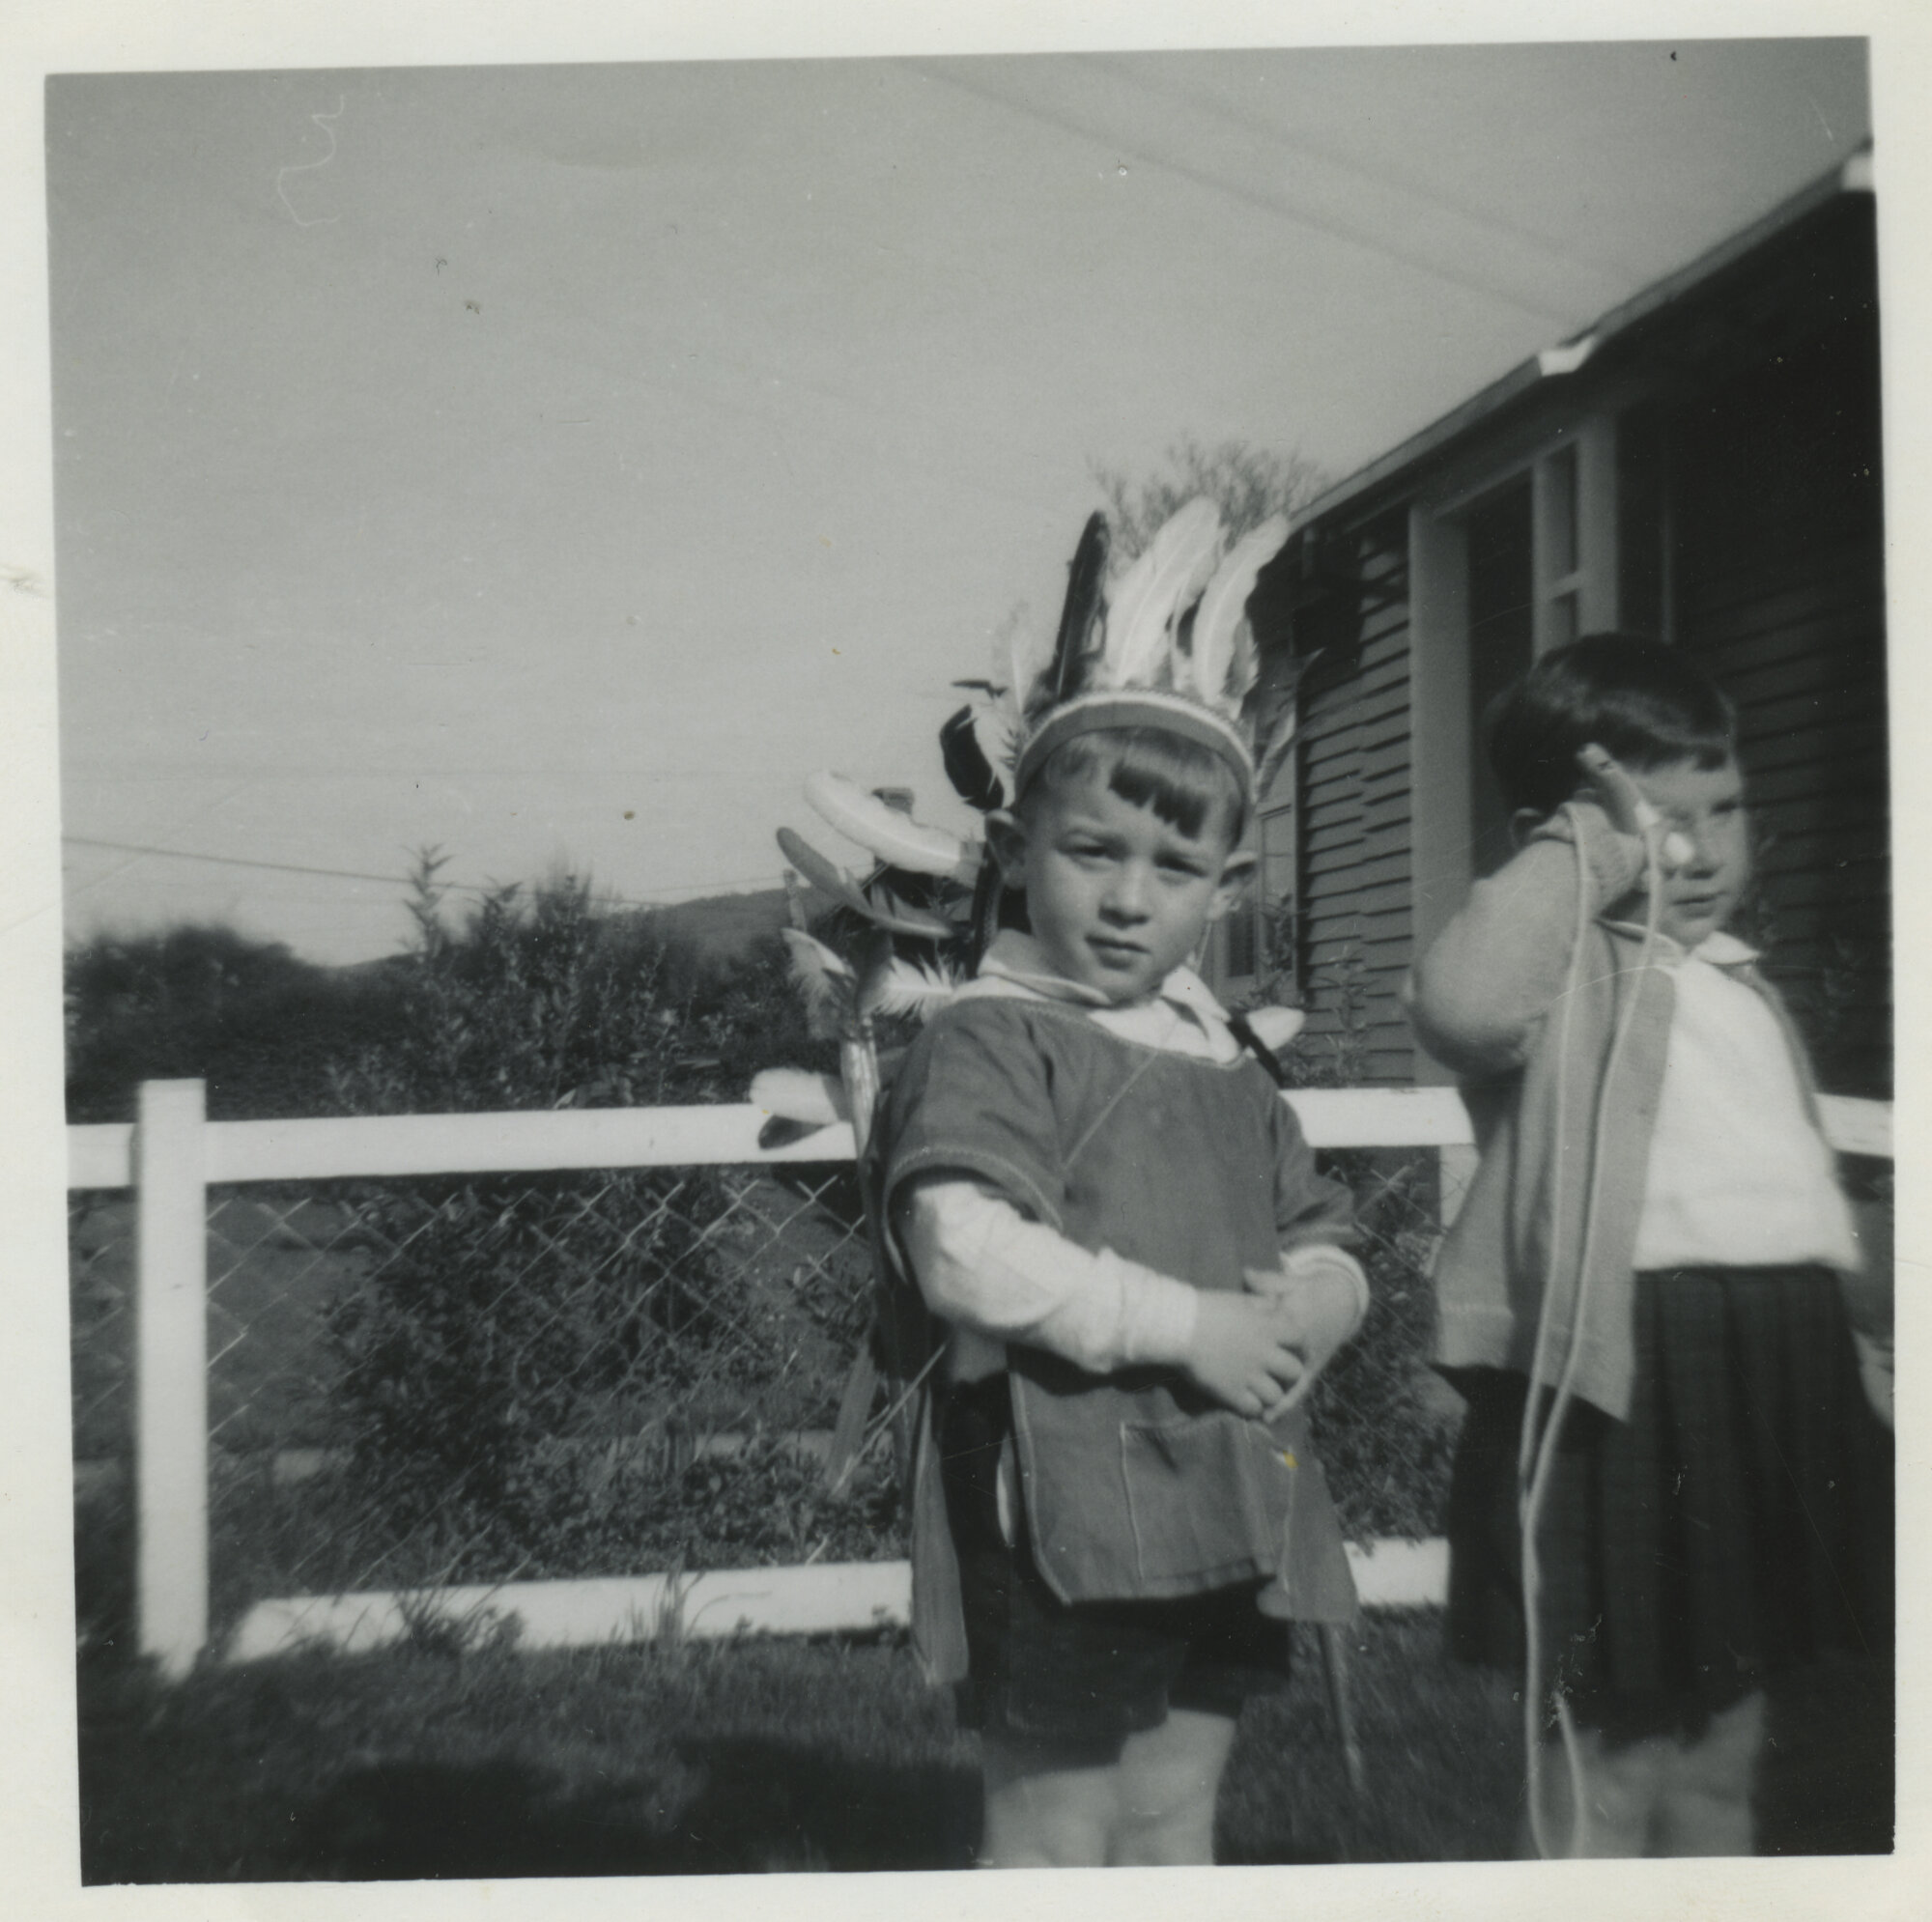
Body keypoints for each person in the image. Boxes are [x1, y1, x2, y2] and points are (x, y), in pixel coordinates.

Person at [873, 506, 1369, 1868]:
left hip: (1221, 1480)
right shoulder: (992, 1034)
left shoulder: (1222, 1058)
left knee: (1171, 1812)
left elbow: (1324, 1229)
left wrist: (1315, 1305)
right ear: (1021, 845)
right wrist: (1188, 1324)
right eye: (1095, 851)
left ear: (1224, 881)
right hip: (1065, 1494)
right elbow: (964, 1246)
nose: (1132, 898)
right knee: (1055, 1822)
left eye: (1178, 866)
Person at [1405, 634, 1893, 1858]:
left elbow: (1798, 1208)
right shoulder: (1562, 977)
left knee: (1729, 1752)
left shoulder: (1737, 985)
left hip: (1768, 1371)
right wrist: (1584, 846)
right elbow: (1458, 1005)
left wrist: (1869, 1343)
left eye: (1721, 808)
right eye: (1653, 818)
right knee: (1608, 1758)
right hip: (1620, 1378)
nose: (1697, 849)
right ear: (1560, 835)